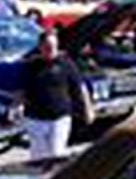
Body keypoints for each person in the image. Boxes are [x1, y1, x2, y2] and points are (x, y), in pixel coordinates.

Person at [19, 30, 91, 160]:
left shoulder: (66, 64)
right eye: (47, 47)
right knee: (38, 156)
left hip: (60, 118)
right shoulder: (31, 66)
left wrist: (87, 109)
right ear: (40, 47)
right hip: (35, 119)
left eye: (53, 46)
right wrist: (17, 107)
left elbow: (80, 87)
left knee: (56, 153)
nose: (50, 49)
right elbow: (22, 90)